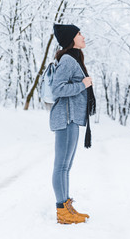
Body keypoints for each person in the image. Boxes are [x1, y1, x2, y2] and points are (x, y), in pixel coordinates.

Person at [49, 24, 96, 224]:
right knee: (61, 166)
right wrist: (82, 85)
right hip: (65, 118)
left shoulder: (73, 58)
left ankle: (66, 206)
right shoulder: (68, 59)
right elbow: (57, 89)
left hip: (71, 119)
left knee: (66, 167)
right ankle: (62, 211)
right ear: (71, 38)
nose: (83, 36)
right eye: (79, 34)